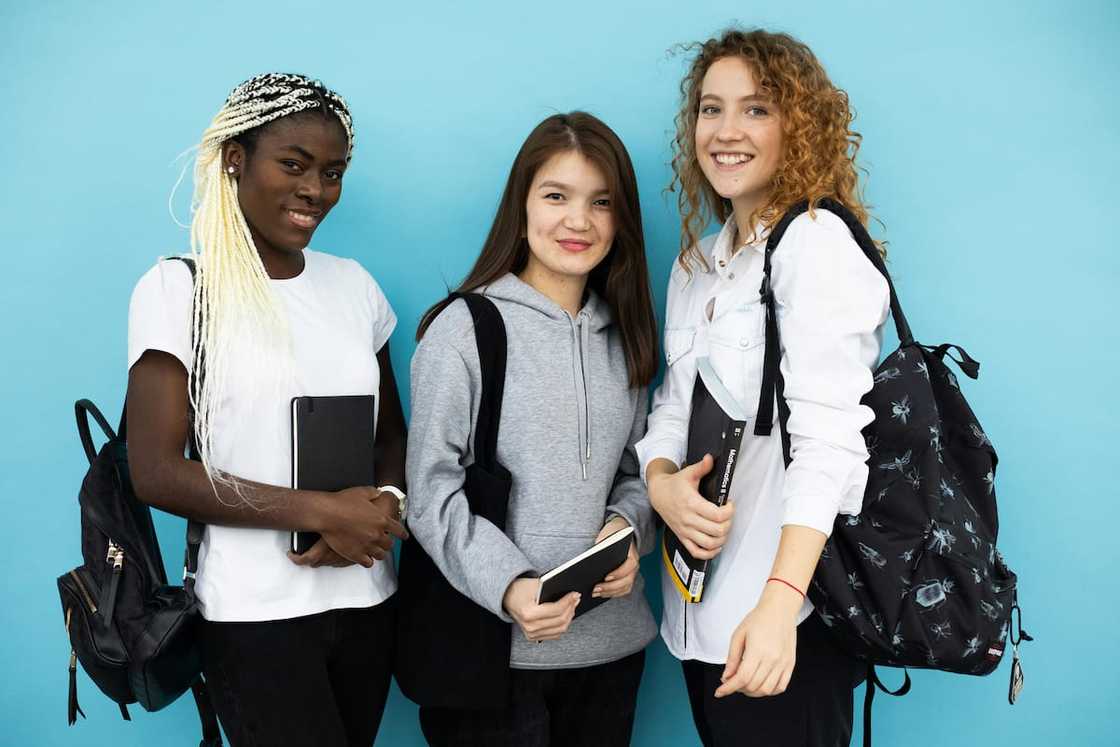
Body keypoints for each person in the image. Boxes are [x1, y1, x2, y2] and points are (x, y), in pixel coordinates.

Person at [125, 73, 408, 747]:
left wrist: (384, 505)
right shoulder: (178, 288)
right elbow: (157, 473)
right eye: (294, 164)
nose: (316, 189)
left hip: (368, 602)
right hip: (253, 617)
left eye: (332, 172)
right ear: (235, 158)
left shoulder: (354, 287)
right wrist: (322, 511)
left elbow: (391, 432)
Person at [637, 29, 891, 747]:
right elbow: (669, 407)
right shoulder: (696, 264)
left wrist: (780, 603)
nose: (725, 131)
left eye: (755, 110)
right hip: (694, 622)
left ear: (798, 125)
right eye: (711, 110)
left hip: (784, 624)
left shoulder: (815, 244)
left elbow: (831, 444)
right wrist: (661, 486)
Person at [406, 111, 659, 746]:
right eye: (556, 196)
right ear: (520, 207)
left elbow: (640, 473)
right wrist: (512, 585)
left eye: (601, 202)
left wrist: (630, 533)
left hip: (612, 654)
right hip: (491, 661)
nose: (578, 221)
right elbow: (430, 493)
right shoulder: (463, 330)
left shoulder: (626, 338)